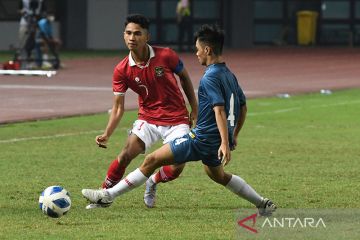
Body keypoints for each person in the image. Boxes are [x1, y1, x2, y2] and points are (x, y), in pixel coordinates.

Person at [82, 24, 277, 216]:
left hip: (202, 139)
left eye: (198, 50)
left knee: (151, 160)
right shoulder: (229, 75)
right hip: (215, 141)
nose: (196, 54)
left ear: (207, 49)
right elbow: (242, 107)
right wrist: (233, 136)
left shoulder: (209, 77)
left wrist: (226, 142)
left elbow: (219, 110)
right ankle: (262, 203)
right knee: (218, 175)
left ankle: (107, 196)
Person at [84, 14, 198, 209]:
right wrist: (107, 133)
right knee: (125, 155)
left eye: (137, 33)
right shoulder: (122, 70)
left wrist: (194, 109)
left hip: (177, 120)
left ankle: (152, 181)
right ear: (123, 35)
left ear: (147, 36)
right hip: (148, 119)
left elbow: (185, 79)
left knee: (177, 168)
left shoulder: (166, 55)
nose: (132, 38)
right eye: (128, 33)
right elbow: (118, 106)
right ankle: (103, 196)